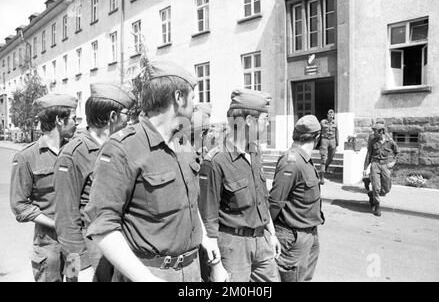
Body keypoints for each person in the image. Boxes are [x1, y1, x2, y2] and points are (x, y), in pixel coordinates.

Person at [85, 60, 218, 282]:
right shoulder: (123, 147)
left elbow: (189, 203)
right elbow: (102, 227)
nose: (195, 104)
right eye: (193, 97)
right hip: (150, 272)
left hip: (192, 270)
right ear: (178, 97)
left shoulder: (182, 143)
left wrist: (204, 237)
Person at [54, 83, 135, 282]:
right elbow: (65, 219)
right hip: (90, 251)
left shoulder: (121, 149)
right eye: (127, 114)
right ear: (113, 117)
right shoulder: (73, 155)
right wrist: (81, 267)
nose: (130, 119)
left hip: (118, 244)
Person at [199, 89, 281, 282]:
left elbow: (262, 199)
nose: (267, 123)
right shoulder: (215, 161)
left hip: (262, 240)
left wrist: (272, 233)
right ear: (250, 121)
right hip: (233, 246)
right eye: (264, 118)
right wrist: (216, 265)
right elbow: (208, 218)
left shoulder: (255, 151)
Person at [10, 93, 78, 282]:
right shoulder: (26, 157)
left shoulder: (75, 151)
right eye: (73, 118)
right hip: (48, 243)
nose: (77, 123)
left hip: (75, 241)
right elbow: (19, 206)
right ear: (59, 120)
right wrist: (56, 224)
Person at [269, 115, 325, 282]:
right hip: (293, 238)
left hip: (309, 233)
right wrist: (270, 234)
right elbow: (274, 202)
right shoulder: (291, 161)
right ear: (317, 137)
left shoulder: (304, 159)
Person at [363, 122, 399, 217]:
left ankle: (371, 194)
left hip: (385, 165)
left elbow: (397, 152)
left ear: (381, 131)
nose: (374, 133)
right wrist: (365, 168)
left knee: (386, 188)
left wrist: (393, 162)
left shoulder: (389, 141)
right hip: (375, 164)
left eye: (375, 131)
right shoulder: (373, 141)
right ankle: (377, 206)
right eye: (374, 131)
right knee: (376, 187)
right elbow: (368, 155)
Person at [319, 109, 339, 185]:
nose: (331, 116)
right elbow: (319, 132)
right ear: (327, 115)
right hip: (324, 140)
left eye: (332, 114)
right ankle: (322, 177)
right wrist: (317, 142)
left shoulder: (335, 123)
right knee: (323, 158)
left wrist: (337, 142)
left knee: (331, 158)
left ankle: (326, 167)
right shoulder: (323, 122)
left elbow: (337, 133)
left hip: (333, 141)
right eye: (330, 114)